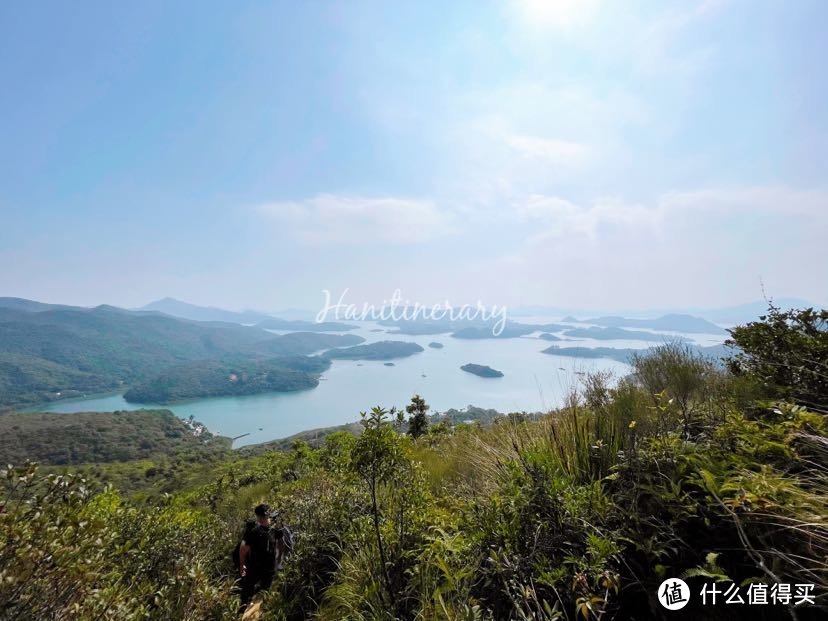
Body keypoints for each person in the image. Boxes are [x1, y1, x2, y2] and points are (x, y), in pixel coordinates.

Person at [237, 504, 280, 614]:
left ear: (257, 517)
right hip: (263, 569)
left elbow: (243, 549)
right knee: (258, 593)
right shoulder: (267, 531)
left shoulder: (261, 531)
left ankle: (246, 612)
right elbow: (243, 549)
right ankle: (251, 612)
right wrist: (243, 565)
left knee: (249, 593)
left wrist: (242, 565)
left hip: (259, 569)